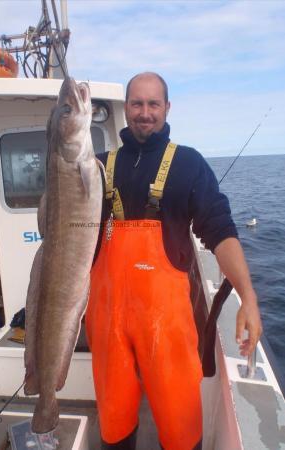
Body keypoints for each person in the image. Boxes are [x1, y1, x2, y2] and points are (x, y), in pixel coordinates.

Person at [85, 72, 263, 450]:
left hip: (166, 324)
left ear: (167, 108)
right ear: (127, 109)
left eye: (153, 104)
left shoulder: (188, 164)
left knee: (180, 428)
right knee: (113, 425)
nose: (144, 113)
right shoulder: (95, 167)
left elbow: (220, 229)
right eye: (136, 103)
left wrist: (248, 297)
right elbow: (65, 224)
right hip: (107, 320)